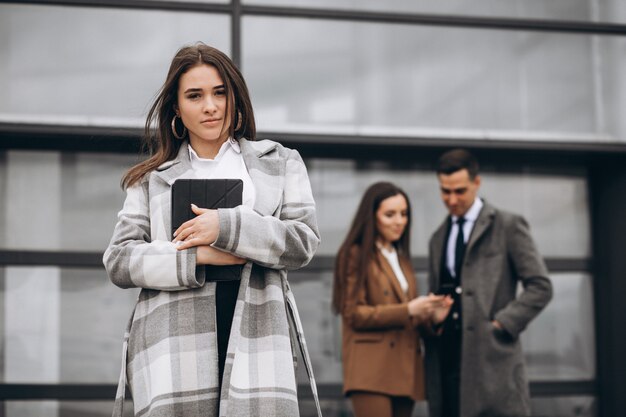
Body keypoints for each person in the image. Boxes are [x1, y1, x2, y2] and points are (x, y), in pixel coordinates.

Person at [103, 43, 322, 417]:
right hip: (173, 340)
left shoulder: (280, 162)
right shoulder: (150, 180)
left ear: (235, 96)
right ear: (176, 107)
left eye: (220, 92)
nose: (211, 106)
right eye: (195, 95)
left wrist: (227, 225)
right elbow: (120, 261)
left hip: (256, 326)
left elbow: (302, 241)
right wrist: (198, 255)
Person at [423, 148, 553, 417]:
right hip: (447, 359)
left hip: (492, 361)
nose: (452, 199)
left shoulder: (508, 225)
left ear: (477, 183)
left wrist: (504, 323)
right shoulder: (438, 237)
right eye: (445, 191)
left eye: (460, 191)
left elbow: (540, 285)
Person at [332, 182, 449, 417]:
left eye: (404, 214)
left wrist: (432, 317)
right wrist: (409, 309)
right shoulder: (355, 254)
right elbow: (354, 314)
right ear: (371, 216)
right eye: (390, 214)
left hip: (405, 368)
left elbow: (409, 315)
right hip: (372, 370)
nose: (399, 221)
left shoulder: (402, 259)